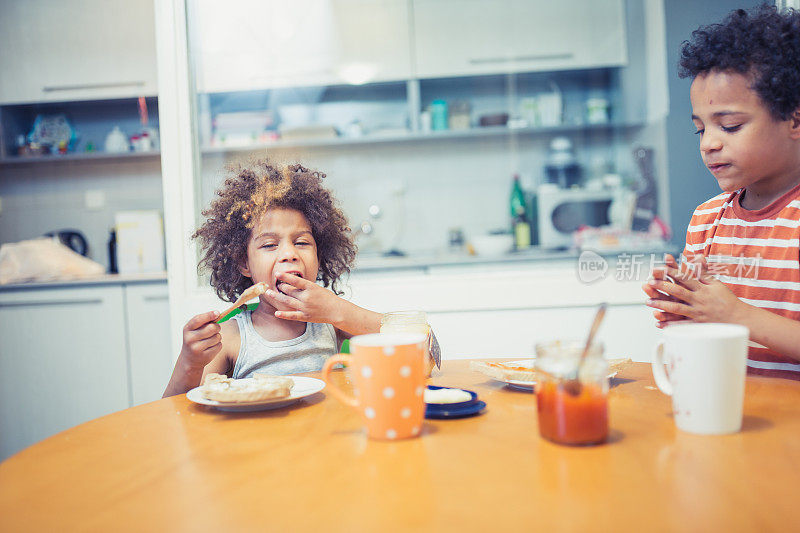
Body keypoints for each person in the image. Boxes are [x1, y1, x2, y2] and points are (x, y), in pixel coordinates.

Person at [643, 4, 800, 379]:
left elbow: (731, 315)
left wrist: (734, 315)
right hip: (728, 416)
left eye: (729, 126)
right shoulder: (707, 220)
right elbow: (703, 340)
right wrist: (684, 311)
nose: (708, 143)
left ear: (794, 119)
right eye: (701, 129)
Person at [163, 159, 386, 397]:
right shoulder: (230, 338)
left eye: (302, 242)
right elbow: (176, 414)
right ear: (243, 263)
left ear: (319, 257)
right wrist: (190, 363)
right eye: (269, 245)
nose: (289, 254)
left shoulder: (331, 323)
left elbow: (421, 348)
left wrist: (338, 311)